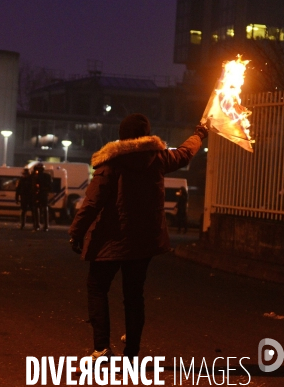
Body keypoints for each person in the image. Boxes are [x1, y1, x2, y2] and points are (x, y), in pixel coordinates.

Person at [68, 113, 207, 360]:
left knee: (97, 288)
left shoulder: (110, 164)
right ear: (146, 135)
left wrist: (76, 233)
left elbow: (91, 203)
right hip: (143, 242)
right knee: (134, 294)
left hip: (110, 240)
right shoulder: (158, 159)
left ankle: (101, 348)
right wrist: (199, 135)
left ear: (122, 136)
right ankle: (131, 351)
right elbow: (185, 153)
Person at [30, 163, 52, 231]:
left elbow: (50, 186)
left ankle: (42, 225)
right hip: (39, 193)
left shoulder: (44, 176)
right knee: (39, 209)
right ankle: (40, 225)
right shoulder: (34, 176)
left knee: (42, 209)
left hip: (42, 193)